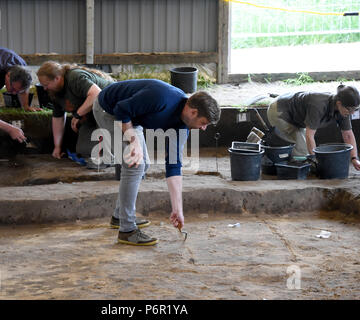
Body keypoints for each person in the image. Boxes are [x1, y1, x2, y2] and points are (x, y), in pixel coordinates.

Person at [93, 79, 221, 246]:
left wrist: (177, 209)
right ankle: (127, 230)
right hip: (109, 110)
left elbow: (174, 166)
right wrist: (133, 142)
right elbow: (121, 109)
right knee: (134, 165)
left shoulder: (182, 127)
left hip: (132, 117)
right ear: (193, 112)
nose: (204, 128)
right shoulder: (161, 97)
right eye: (204, 123)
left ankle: (119, 216)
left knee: (143, 164)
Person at [267, 84, 360, 171]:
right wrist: (315, 160)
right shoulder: (318, 105)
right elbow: (310, 135)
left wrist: (354, 159)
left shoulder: (344, 110)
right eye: (350, 109)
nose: (352, 113)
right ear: (339, 103)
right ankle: (290, 172)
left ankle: (295, 164)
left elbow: (348, 135)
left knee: (305, 148)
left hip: (295, 117)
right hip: (279, 111)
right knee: (302, 152)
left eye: (355, 110)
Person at [36, 61, 114, 160]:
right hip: (91, 117)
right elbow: (58, 118)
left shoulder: (74, 77)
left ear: (57, 78)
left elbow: (96, 94)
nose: (45, 88)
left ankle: (114, 152)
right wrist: (57, 147)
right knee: (84, 150)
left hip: (110, 109)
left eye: (46, 85)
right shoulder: (54, 92)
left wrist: (78, 114)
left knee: (103, 151)